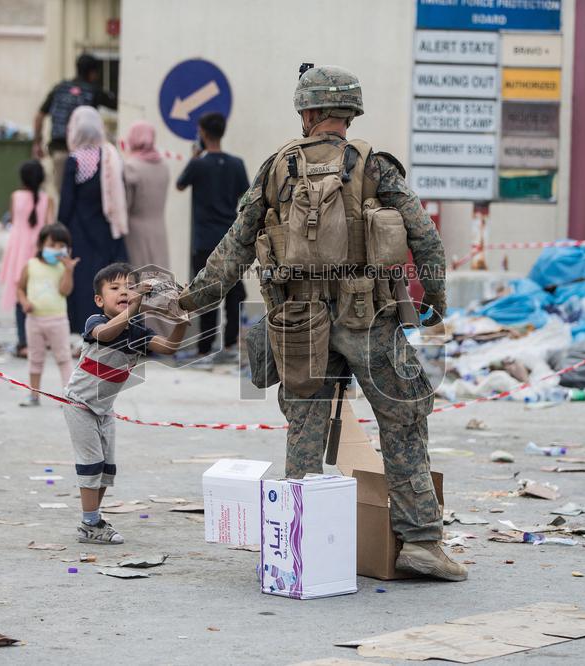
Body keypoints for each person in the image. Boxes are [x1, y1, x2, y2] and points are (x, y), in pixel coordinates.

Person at [178, 65, 466, 581]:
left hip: (296, 317)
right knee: (403, 419)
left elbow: (233, 249)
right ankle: (421, 541)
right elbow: (424, 238)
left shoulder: (276, 168)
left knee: (305, 426)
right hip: (369, 316)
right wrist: (435, 303)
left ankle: (299, 544)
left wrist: (189, 302)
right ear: (349, 114)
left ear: (307, 114)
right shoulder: (376, 167)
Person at [63, 262, 186, 544]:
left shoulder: (136, 334)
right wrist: (137, 302)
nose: (124, 292)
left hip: (104, 410)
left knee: (106, 469)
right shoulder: (95, 323)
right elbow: (106, 334)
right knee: (91, 464)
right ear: (99, 299)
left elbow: (170, 347)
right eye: (115, 288)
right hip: (79, 405)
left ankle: (92, 519)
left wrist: (181, 320)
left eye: (130, 287)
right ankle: (90, 523)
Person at [176, 112, 249, 360]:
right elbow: (246, 196)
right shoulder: (236, 164)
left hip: (204, 240)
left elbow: (180, 184)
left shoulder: (198, 164)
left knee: (206, 294)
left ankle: (205, 348)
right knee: (234, 292)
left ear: (203, 133)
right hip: (230, 239)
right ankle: (230, 344)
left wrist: (194, 157)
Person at [58, 106, 128, 334]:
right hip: (106, 231)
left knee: (81, 282)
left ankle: (83, 329)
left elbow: (67, 202)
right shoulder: (110, 156)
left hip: (79, 232)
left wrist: (59, 232)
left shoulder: (75, 161)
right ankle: (107, 328)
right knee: (105, 281)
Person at [33, 54, 118, 195]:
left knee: (63, 194)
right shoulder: (93, 91)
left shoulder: (59, 88)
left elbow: (39, 116)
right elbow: (116, 104)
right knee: (84, 195)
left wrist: (37, 143)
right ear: (92, 73)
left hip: (59, 150)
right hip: (85, 154)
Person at [17, 223, 77, 407]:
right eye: (52, 245)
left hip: (58, 320)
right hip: (34, 320)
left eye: (61, 246)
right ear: (41, 245)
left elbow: (65, 291)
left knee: (63, 357)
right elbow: (20, 288)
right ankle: (34, 395)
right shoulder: (31, 265)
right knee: (35, 358)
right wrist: (25, 302)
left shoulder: (61, 268)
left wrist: (68, 270)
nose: (57, 250)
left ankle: (68, 396)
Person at [0, 160, 55, 358]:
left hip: (18, 252)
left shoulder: (16, 197)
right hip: (38, 253)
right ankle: (41, 341)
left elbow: (14, 221)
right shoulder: (47, 199)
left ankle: (23, 343)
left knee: (19, 296)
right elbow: (50, 227)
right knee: (40, 296)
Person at [123, 121, 171, 271]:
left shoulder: (131, 167)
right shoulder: (164, 167)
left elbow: (126, 204)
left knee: (139, 279)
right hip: (159, 228)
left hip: (135, 231)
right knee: (159, 279)